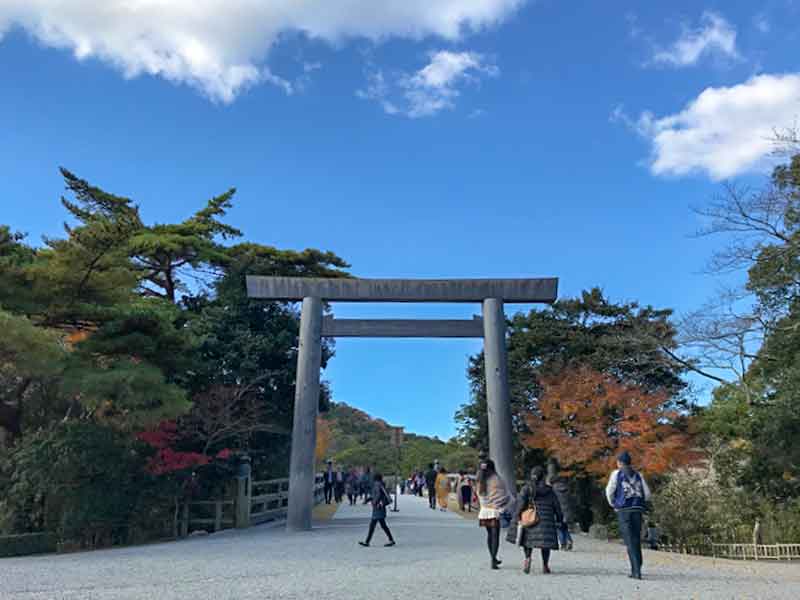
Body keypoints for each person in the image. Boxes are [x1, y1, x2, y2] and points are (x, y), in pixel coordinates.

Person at [605, 451, 652, 580]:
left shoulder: (616, 474)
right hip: (637, 509)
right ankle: (637, 566)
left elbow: (609, 491)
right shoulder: (638, 475)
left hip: (624, 509)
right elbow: (647, 494)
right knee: (636, 538)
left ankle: (636, 571)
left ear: (620, 463)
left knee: (629, 540)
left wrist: (613, 504)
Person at [508, 466, 563, 574]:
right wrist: (560, 518)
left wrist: (517, 516)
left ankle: (528, 558)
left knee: (527, 542)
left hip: (530, 519)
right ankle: (545, 565)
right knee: (545, 545)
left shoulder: (527, 488)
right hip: (546, 519)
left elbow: (520, 504)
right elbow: (556, 505)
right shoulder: (549, 490)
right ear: (543, 476)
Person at [477, 459, 511, 570]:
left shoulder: (480, 479)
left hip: (484, 510)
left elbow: (479, 495)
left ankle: (493, 557)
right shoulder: (496, 479)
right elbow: (503, 496)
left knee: (489, 535)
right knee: (495, 535)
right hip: (495, 511)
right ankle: (493, 559)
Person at [358, 473, 396, 547]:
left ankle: (367, 542)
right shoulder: (378, 485)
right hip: (376, 508)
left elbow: (387, 498)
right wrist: (368, 500)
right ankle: (391, 540)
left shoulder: (380, 486)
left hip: (379, 508)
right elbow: (374, 495)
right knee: (382, 525)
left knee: (374, 525)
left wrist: (381, 503)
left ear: (375, 479)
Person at [546, 458, 574, 551]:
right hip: (567, 511)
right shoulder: (566, 487)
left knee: (559, 527)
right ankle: (569, 540)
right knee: (564, 526)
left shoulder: (553, 489)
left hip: (557, 511)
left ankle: (563, 543)